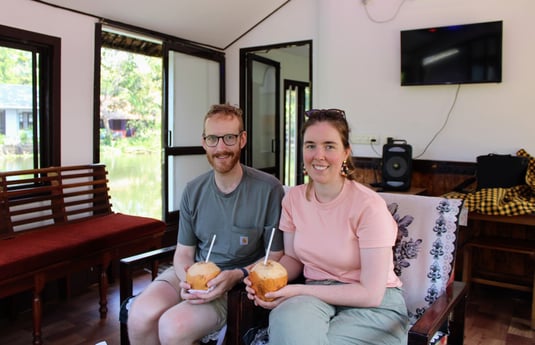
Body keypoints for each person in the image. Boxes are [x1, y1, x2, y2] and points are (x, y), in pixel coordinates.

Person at [245, 108, 409, 344]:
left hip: (375, 307)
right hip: (316, 297)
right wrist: (265, 280)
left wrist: (298, 290)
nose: (318, 155)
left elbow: (371, 294)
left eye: (329, 146)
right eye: (310, 145)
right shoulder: (293, 199)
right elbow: (292, 258)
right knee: (285, 323)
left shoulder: (368, 206)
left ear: (345, 152)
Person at [127, 103, 285, 345]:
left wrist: (237, 275)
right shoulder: (193, 190)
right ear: (204, 142)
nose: (221, 147)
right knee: (140, 315)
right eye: (213, 138)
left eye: (229, 138)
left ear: (242, 140)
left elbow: (275, 254)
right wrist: (187, 282)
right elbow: (184, 253)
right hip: (193, 274)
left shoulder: (269, 189)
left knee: (172, 327)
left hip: (234, 285)